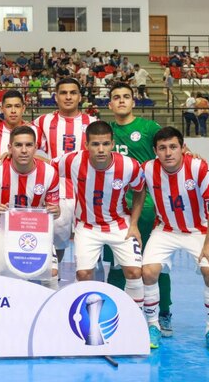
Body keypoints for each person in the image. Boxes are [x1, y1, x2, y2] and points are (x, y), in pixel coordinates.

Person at [0, 78, 97, 272]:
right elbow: (23, 137)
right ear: (56, 96)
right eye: (63, 93)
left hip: (84, 191)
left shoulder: (93, 122)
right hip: (53, 190)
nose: (68, 97)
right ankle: (54, 273)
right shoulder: (43, 122)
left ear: (80, 96)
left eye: (73, 93)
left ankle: (81, 280)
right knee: (51, 239)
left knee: (87, 247)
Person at [141, 126, 209, 353]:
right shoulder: (147, 169)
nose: (168, 153)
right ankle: (153, 326)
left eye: (173, 147)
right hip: (165, 230)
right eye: (162, 148)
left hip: (199, 231)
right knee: (148, 272)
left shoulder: (198, 167)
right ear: (155, 151)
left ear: (182, 148)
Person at [106, 82, 174, 335]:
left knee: (154, 262)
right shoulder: (106, 132)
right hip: (113, 206)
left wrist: (193, 155)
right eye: (116, 97)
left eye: (126, 97)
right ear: (109, 104)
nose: (121, 101)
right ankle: (117, 311)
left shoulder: (148, 128)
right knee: (116, 263)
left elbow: (173, 149)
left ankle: (164, 312)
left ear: (134, 101)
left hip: (146, 204)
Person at [59, 121, 145, 307]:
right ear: (86, 145)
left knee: (134, 272)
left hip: (119, 224)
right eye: (95, 144)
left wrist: (134, 224)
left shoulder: (129, 165)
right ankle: (87, 318)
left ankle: (134, 316)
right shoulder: (72, 161)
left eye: (105, 144)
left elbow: (140, 190)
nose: (101, 149)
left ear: (112, 144)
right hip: (87, 226)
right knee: (83, 274)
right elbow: (45, 165)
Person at [0, 126, 60, 288]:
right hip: (0, 229)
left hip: (36, 230)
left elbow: (54, 211)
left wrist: (56, 211)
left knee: (51, 275)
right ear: (10, 148)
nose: (24, 150)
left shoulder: (50, 172)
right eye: (18, 145)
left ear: (36, 148)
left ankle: (50, 312)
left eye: (29, 145)